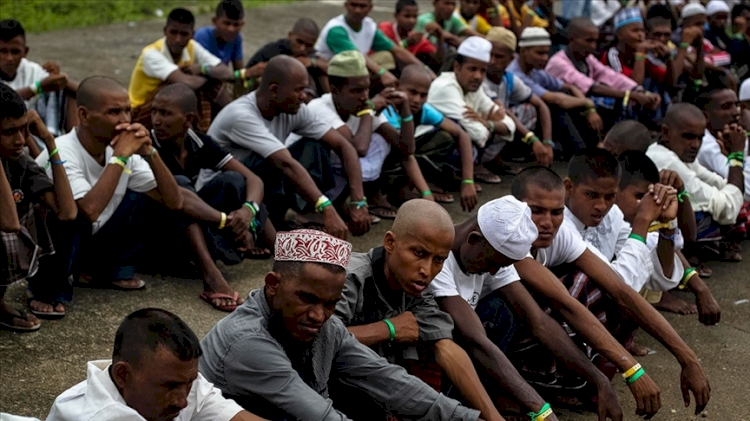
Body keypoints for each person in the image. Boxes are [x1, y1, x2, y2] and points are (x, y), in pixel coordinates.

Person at [199, 229, 482, 420]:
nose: (319, 315)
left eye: (330, 304)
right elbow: (320, 415)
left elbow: (389, 381)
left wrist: (472, 418)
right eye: (307, 299)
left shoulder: (325, 327)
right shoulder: (246, 342)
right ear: (273, 285)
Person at [430, 196, 623, 421]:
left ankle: (480, 405)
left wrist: (598, 379)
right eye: (493, 264)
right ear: (474, 239)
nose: (493, 272)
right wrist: (541, 410)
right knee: (489, 318)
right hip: (425, 358)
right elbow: (476, 341)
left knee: (503, 311)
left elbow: (538, 321)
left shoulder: (492, 252)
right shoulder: (436, 258)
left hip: (460, 349)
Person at [559, 149, 711, 416]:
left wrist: (665, 225)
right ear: (569, 187)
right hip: (542, 324)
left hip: (576, 322)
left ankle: (585, 382)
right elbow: (618, 285)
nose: (601, 206)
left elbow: (659, 275)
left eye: (609, 196)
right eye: (592, 195)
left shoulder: (611, 216)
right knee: (592, 286)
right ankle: (563, 382)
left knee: (628, 299)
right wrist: (643, 220)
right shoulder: (562, 224)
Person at [335, 199, 503, 421]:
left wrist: (493, 417)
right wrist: (388, 329)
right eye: (419, 253)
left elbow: (446, 349)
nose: (427, 270)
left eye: (439, 260)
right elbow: (319, 338)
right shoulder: (348, 278)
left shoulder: (415, 291)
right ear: (390, 242)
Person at [34, 76, 183, 291]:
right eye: (114, 112)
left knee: (142, 196)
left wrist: (150, 153)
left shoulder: (119, 147)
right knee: (77, 214)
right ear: (84, 115)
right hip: (50, 246)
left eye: (127, 111)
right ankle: (47, 289)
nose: (125, 120)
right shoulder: (63, 150)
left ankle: (109, 270)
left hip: (95, 237)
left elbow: (174, 201)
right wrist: (120, 157)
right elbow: (89, 211)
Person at [197, 55, 369, 240]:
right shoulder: (242, 115)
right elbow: (285, 164)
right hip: (220, 193)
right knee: (274, 162)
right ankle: (259, 232)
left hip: (254, 187)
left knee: (314, 145)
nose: (304, 97)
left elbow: (344, 145)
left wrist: (359, 201)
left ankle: (282, 220)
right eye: (298, 90)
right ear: (274, 90)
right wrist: (327, 209)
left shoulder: (294, 108)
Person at [149, 83, 275, 312]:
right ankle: (211, 276)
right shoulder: (148, 146)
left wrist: (248, 211)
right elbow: (179, 199)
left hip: (187, 226)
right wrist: (228, 219)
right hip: (153, 237)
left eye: (165, 113)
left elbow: (253, 180)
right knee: (180, 187)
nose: (156, 120)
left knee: (234, 180)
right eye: (154, 111)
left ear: (188, 120)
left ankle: (281, 250)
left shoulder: (198, 142)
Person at [47, 308, 265, 421]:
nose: (182, 401)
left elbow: (232, 416)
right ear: (123, 375)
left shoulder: (177, 377)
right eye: (169, 387)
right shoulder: (90, 417)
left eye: (189, 383)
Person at [286, 51, 432, 220]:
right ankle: (307, 213)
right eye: (356, 91)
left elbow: (406, 149)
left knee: (381, 141)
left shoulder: (362, 107)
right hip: (295, 183)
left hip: (332, 177)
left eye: (366, 89)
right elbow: (358, 148)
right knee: (320, 147)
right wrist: (368, 111)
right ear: (334, 90)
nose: (364, 97)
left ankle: (346, 204)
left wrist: (405, 110)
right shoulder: (320, 108)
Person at [0, 84, 76, 331]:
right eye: (10, 132)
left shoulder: (19, 161)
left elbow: (67, 212)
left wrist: (50, 141)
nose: (20, 140)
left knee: (47, 215)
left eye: (24, 130)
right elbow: (9, 222)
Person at [614, 151, 720, 324]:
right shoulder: (608, 218)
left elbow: (685, 242)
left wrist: (669, 222)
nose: (646, 204)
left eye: (648, 197)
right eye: (639, 197)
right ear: (615, 191)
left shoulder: (634, 218)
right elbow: (620, 281)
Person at [646, 103, 746, 258]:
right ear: (665, 132)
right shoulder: (666, 160)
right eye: (688, 137)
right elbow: (728, 208)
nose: (695, 145)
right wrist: (736, 157)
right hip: (655, 233)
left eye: (700, 138)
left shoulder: (677, 152)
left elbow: (724, 186)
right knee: (708, 215)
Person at [383, 64, 478, 212]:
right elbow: (405, 154)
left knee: (445, 137)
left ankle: (408, 186)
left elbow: (462, 135)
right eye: (412, 92)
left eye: (423, 95)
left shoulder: (423, 109)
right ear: (397, 86)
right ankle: (384, 193)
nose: (417, 100)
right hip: (385, 162)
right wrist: (426, 193)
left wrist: (468, 181)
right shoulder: (387, 111)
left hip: (405, 155)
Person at [128, 8, 236, 131]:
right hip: (141, 111)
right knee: (188, 88)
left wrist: (202, 68)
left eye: (184, 34)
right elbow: (186, 82)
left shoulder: (192, 47)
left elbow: (227, 72)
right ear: (165, 31)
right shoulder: (151, 53)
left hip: (168, 107)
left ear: (192, 35)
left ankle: (228, 121)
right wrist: (208, 76)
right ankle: (211, 129)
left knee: (211, 83)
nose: (178, 39)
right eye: (173, 32)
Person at [427, 36, 515, 185]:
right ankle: (435, 181)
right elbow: (479, 134)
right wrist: (489, 123)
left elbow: (510, 126)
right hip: (425, 146)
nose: (478, 76)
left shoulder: (474, 88)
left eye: (482, 71)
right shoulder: (445, 87)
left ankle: (460, 173)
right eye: (472, 69)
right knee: (452, 134)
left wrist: (487, 123)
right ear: (456, 67)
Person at [545, 17, 661, 131]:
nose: (593, 46)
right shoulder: (558, 63)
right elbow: (591, 87)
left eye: (595, 41)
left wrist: (640, 91)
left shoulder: (587, 59)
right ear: (571, 39)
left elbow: (611, 76)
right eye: (588, 40)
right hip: (559, 116)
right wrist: (630, 95)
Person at [508, 27, 604, 152]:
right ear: (524, 51)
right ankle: (580, 152)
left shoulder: (536, 71)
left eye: (546, 53)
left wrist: (588, 109)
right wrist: (587, 103)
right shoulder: (516, 74)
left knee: (569, 97)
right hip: (515, 125)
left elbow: (569, 86)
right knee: (556, 106)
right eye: (540, 53)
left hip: (530, 121)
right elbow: (555, 99)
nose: (545, 58)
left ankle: (593, 147)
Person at [316, 0, 430, 88]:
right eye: (353, 5)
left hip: (354, 71)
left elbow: (396, 49)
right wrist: (383, 73)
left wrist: (425, 69)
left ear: (370, 7)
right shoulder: (336, 29)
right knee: (383, 62)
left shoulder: (369, 26)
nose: (357, 10)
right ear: (346, 5)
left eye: (362, 6)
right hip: (331, 75)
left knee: (388, 56)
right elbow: (356, 56)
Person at [482, 27, 553, 169]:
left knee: (529, 110)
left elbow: (541, 105)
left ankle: (497, 157)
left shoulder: (509, 79)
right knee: (497, 118)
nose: (491, 61)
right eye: (489, 55)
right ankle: (478, 163)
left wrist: (547, 143)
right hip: (481, 126)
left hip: (498, 128)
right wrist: (533, 140)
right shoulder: (479, 78)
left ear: (510, 59)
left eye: (499, 56)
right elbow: (502, 111)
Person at [0, 19, 79, 136]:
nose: (9, 58)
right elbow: (5, 103)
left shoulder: (31, 69)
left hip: (30, 136)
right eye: (3, 51)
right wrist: (36, 88)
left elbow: (82, 92)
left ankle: (73, 140)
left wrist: (61, 78)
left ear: (25, 52)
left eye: (15, 52)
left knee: (68, 92)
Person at [247, 18, 330, 100]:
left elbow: (332, 69)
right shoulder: (272, 50)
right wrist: (251, 72)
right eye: (299, 42)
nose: (302, 48)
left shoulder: (312, 55)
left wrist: (312, 62)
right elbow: (243, 74)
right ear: (290, 35)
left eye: (308, 45)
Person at [694, 83, 750, 203]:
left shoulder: (733, 135)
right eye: (726, 106)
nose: (736, 112)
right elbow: (747, 192)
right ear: (705, 116)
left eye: (737, 105)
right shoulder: (704, 146)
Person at [378, 0, 440, 69]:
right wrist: (405, 43)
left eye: (415, 16)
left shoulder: (417, 38)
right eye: (407, 16)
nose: (411, 21)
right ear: (396, 16)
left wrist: (440, 38)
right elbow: (383, 55)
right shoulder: (385, 29)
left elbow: (437, 60)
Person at [194, 0, 246, 70]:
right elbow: (201, 71)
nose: (231, 29)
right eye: (227, 23)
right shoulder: (202, 36)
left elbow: (239, 70)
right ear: (214, 21)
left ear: (242, 25)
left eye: (236, 25)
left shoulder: (237, 38)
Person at [415, 0, 481, 49]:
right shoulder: (425, 19)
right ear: (435, 4)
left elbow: (470, 32)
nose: (450, 8)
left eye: (453, 4)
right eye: (446, 3)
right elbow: (443, 34)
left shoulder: (451, 19)